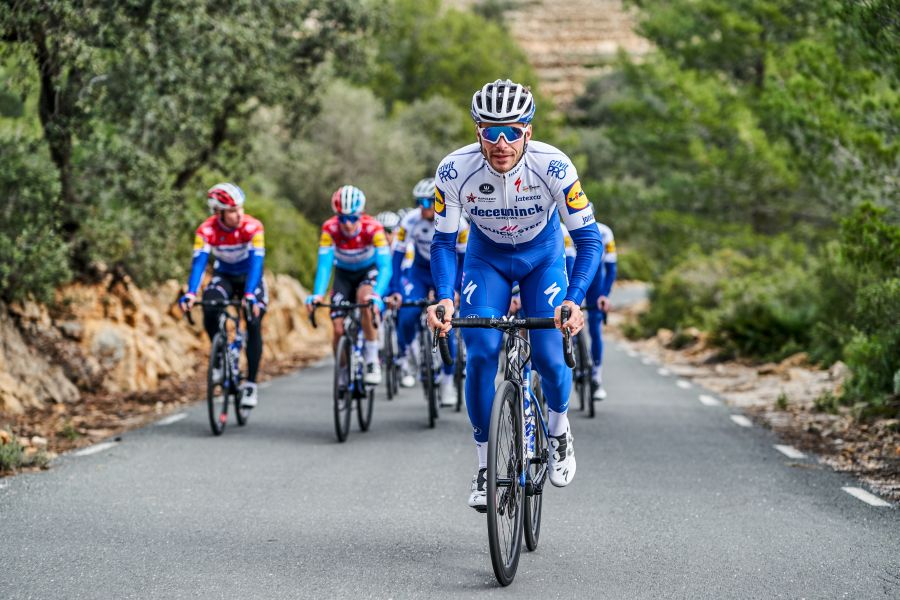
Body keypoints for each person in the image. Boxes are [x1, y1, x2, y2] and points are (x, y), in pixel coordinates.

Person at [426, 79, 602, 509]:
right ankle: (486, 466)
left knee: (549, 356)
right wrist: (445, 297)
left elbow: (589, 240)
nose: (501, 143)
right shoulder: (453, 170)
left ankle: (558, 431)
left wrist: (574, 299)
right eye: (491, 131)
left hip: (543, 259)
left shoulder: (554, 166)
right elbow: (444, 242)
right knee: (481, 352)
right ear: (478, 132)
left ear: (528, 131)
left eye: (512, 131)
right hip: (486, 260)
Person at [179, 183, 267, 408]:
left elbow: (257, 263)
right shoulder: (205, 231)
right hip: (224, 276)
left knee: (253, 322)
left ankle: (251, 384)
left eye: (240, 208)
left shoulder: (253, 227)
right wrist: (191, 293)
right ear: (218, 212)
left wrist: (250, 293)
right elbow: (199, 264)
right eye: (232, 211)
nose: (239, 214)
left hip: (250, 277)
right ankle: (219, 355)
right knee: (209, 304)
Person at [386, 178, 465, 404]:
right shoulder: (409, 221)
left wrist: (456, 289)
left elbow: (464, 259)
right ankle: (409, 355)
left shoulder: (459, 222)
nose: (423, 207)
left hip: (447, 271)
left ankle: (448, 382)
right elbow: (397, 257)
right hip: (419, 272)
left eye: (428, 202)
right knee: (407, 313)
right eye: (419, 202)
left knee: (447, 325)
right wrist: (396, 289)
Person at [305, 185, 392, 385]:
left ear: (361, 214)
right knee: (337, 328)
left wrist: (377, 294)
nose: (348, 224)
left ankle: (371, 359)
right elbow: (325, 266)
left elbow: (385, 267)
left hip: (367, 272)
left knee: (365, 300)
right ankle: (343, 370)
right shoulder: (330, 229)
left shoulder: (374, 228)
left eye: (352, 218)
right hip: (343, 275)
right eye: (342, 218)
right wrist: (318, 294)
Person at [586, 222, 617, 400]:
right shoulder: (565, 231)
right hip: (571, 275)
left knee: (595, 328)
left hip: (596, 282)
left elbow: (611, 267)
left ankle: (596, 376)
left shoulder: (605, 232)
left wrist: (605, 295)